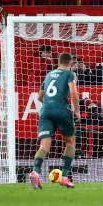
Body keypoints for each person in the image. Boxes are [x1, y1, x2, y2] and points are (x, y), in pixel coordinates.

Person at [29, 53, 81, 190]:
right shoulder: (69, 74)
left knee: (44, 145)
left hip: (45, 111)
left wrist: (50, 104)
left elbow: (40, 97)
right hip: (62, 110)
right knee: (70, 142)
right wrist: (76, 111)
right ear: (70, 63)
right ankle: (64, 177)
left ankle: (35, 171)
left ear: (59, 62)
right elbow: (74, 93)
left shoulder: (48, 75)